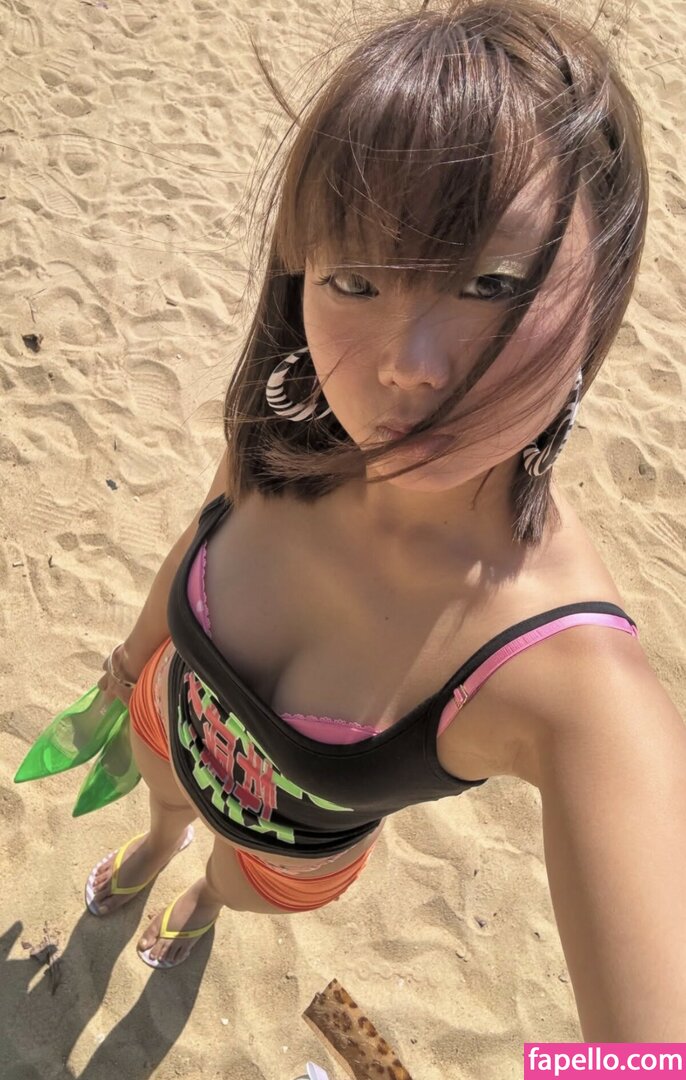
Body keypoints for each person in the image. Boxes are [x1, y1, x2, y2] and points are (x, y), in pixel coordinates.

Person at [87, 0, 686, 1040]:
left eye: (490, 283)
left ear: (599, 297)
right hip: (163, 723)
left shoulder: (570, 680)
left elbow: (651, 1050)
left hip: (284, 856)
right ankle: (156, 843)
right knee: (165, 802)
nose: (409, 365)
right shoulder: (285, 432)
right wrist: (133, 658)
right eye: (356, 279)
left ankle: (202, 897)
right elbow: (202, 531)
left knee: (229, 883)